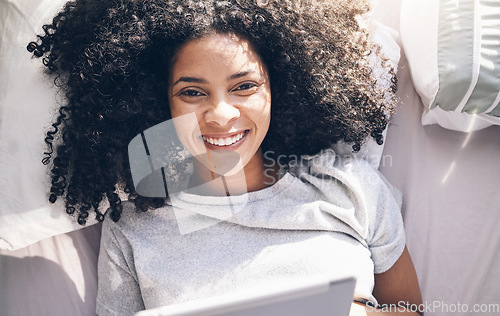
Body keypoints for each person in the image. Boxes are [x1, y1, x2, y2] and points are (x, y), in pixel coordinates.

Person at [27, 0, 422, 315]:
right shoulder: (131, 227)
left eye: (245, 86)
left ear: (279, 87)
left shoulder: (349, 188)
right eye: (192, 93)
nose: (221, 115)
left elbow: (408, 310)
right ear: (156, 101)